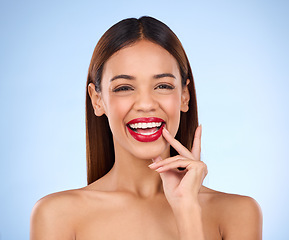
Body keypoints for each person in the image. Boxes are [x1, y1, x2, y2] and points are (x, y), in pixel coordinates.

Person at [30, 16, 263, 239]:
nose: (145, 104)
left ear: (184, 96)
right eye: (124, 88)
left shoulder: (239, 213)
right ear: (97, 100)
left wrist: (188, 211)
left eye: (162, 85)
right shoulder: (56, 215)